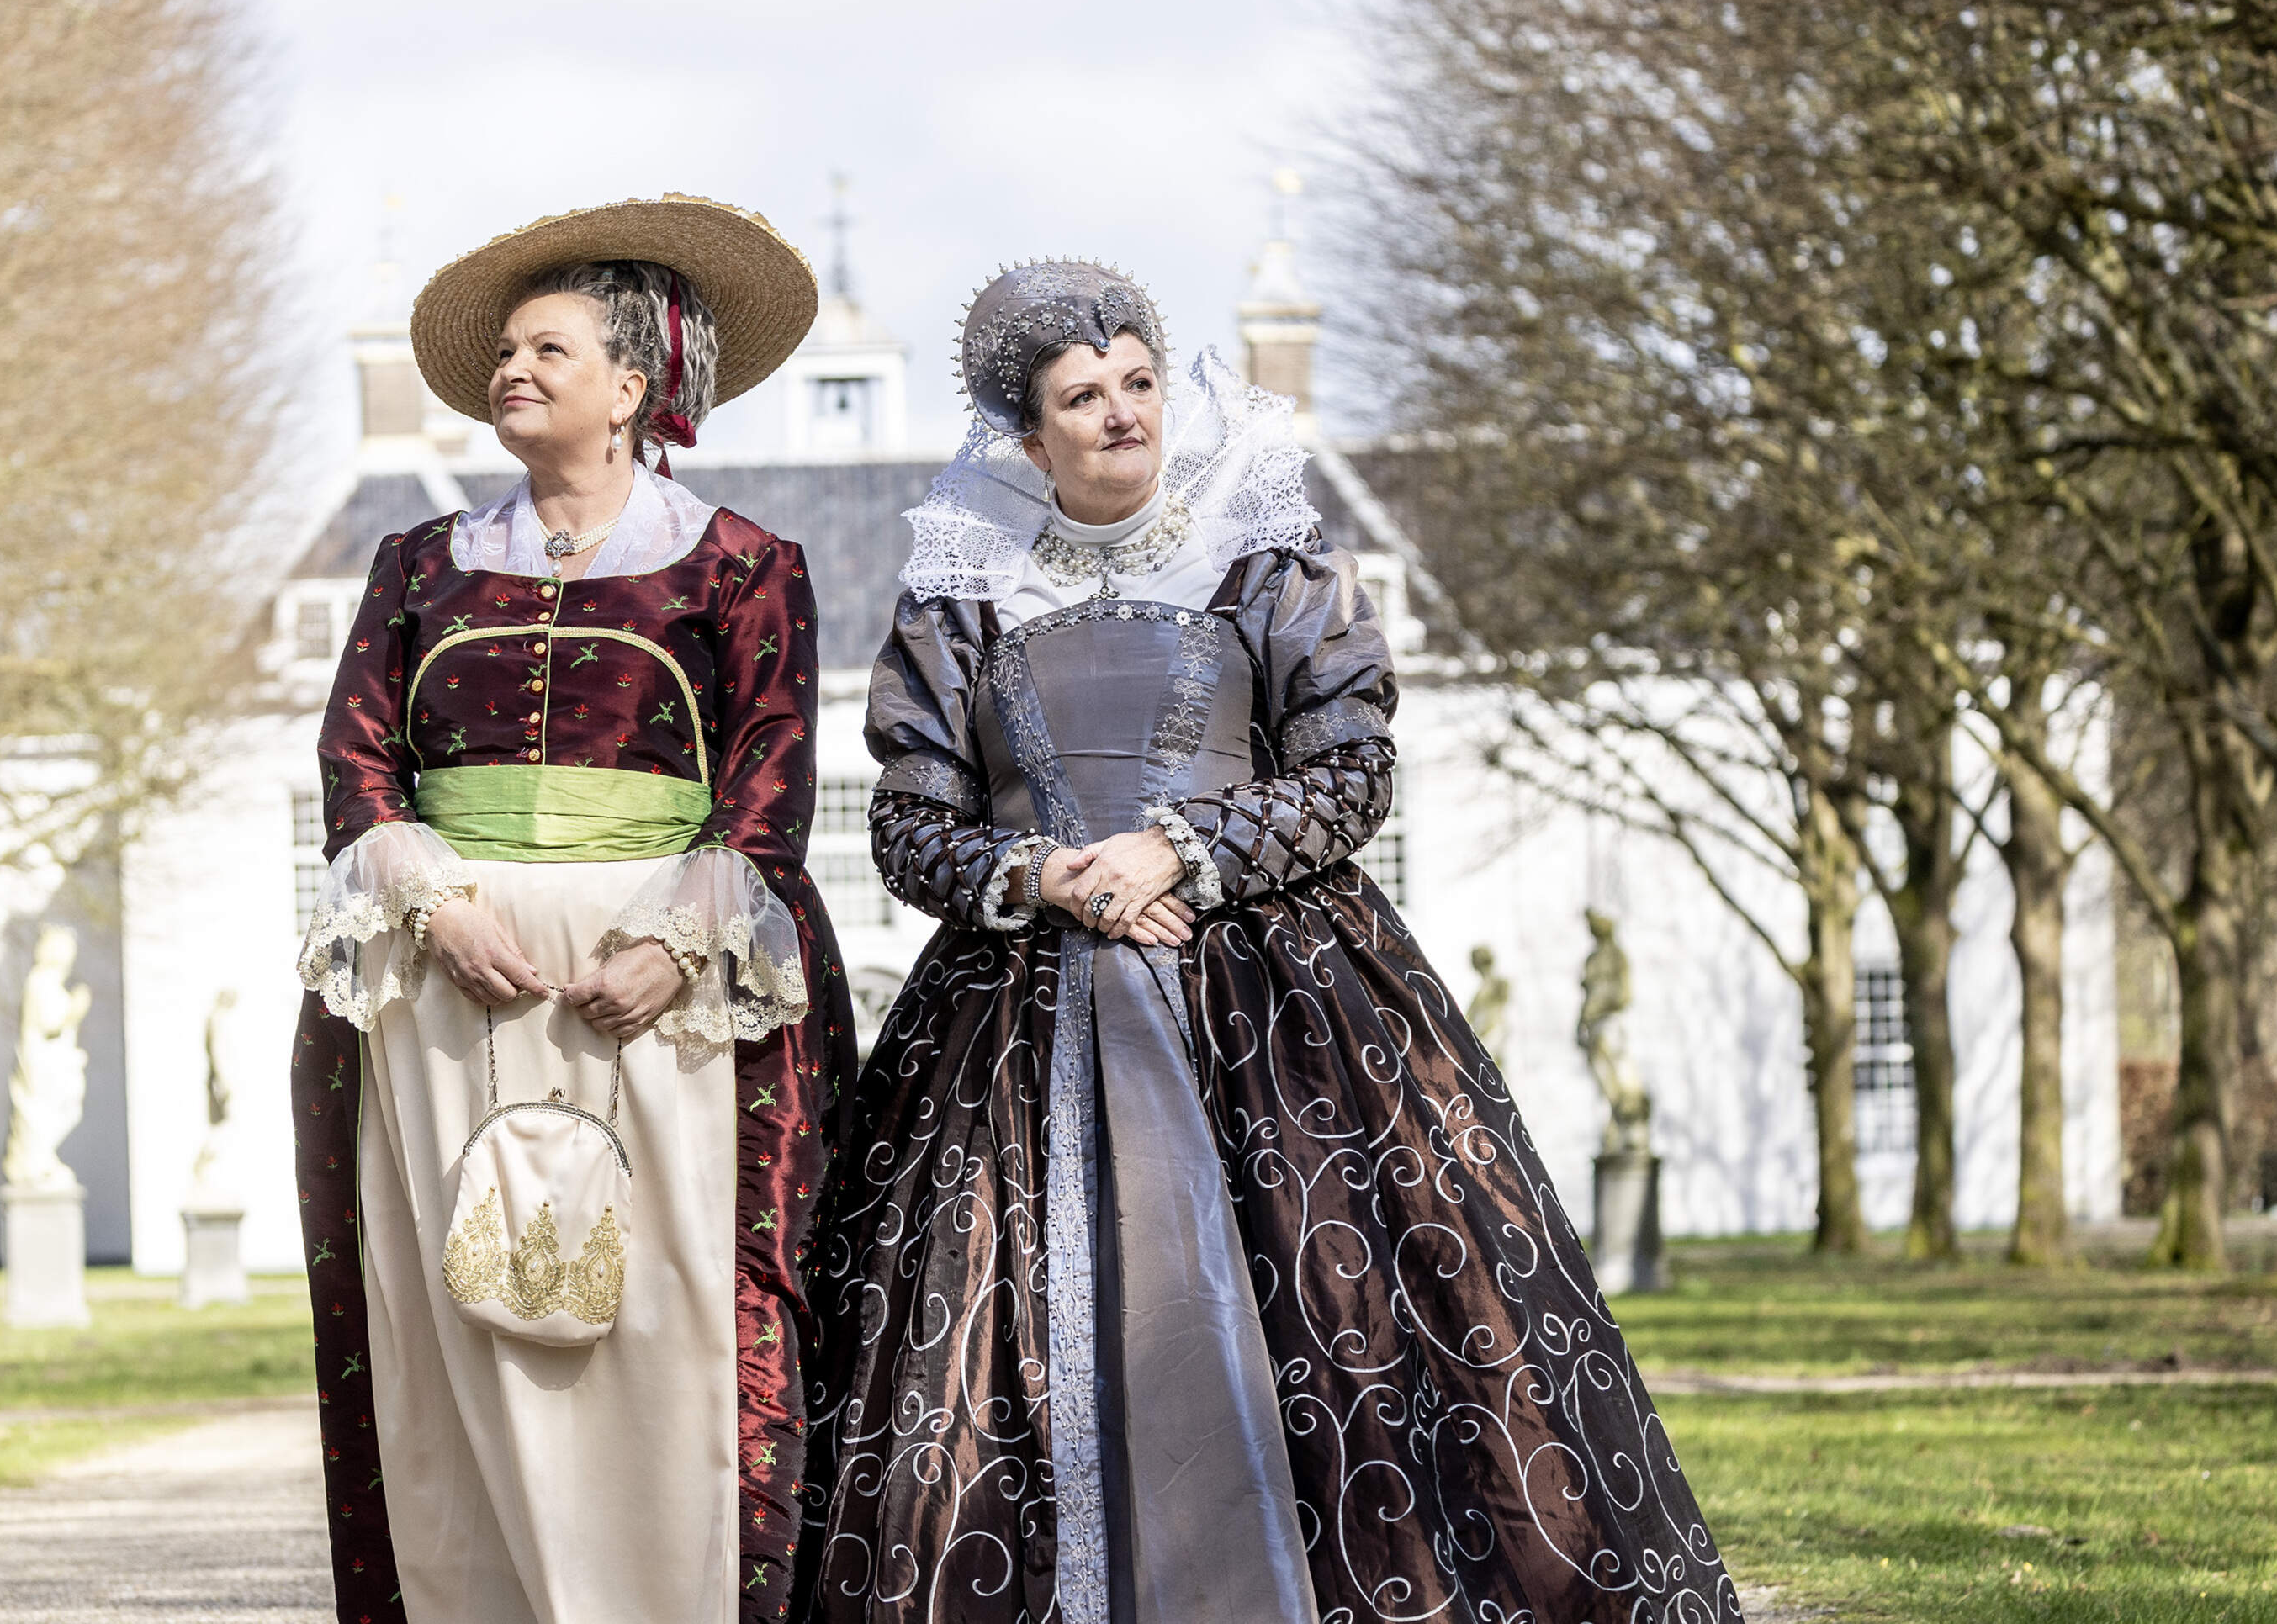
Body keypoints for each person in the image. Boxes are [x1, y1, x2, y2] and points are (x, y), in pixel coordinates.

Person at [796, 262, 1738, 1622]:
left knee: (1353, 1317)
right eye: (1083, 397)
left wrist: (1186, 848)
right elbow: (908, 831)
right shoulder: (958, 601)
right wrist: (1051, 872)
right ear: (1027, 434)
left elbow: (1353, 778)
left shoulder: (1266, 563)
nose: (1123, 413)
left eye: (1139, 383)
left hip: (1277, 1010)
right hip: (1013, 1021)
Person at [292, 195, 859, 1624]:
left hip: (660, 992)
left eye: (547, 349)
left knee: (666, 1320)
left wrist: (678, 944)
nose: (510, 372)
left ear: (634, 385)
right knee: (453, 1317)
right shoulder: (417, 565)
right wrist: (432, 904)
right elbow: (358, 760)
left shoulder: (743, 567)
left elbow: (770, 777)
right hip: (449, 988)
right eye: (503, 353)